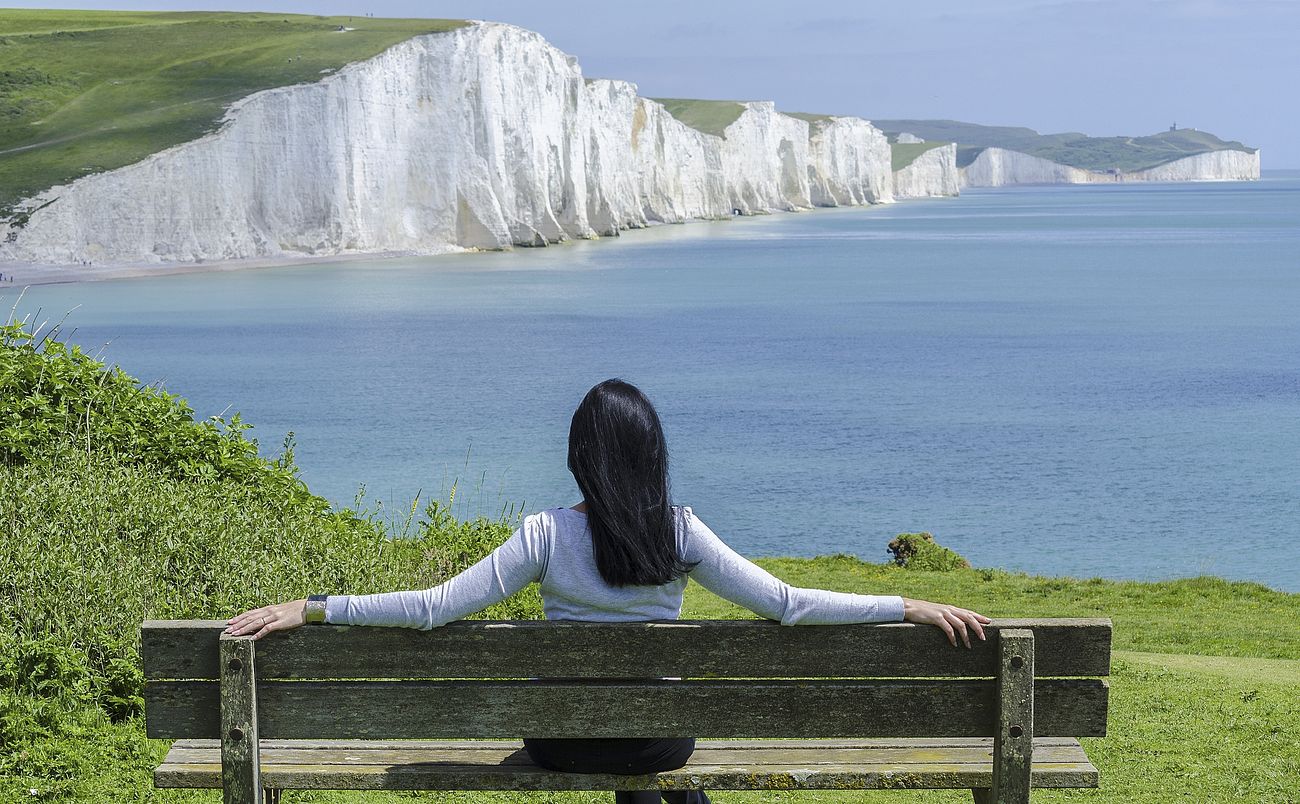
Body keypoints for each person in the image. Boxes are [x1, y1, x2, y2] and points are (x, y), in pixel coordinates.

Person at [227, 379, 989, 804]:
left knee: (599, 733)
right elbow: (788, 604)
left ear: (579, 457)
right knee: (648, 758)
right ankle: (665, 802)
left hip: (559, 742)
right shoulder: (682, 532)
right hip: (661, 738)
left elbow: (431, 609)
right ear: (652, 452)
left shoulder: (543, 535)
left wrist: (313, 606)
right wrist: (907, 604)